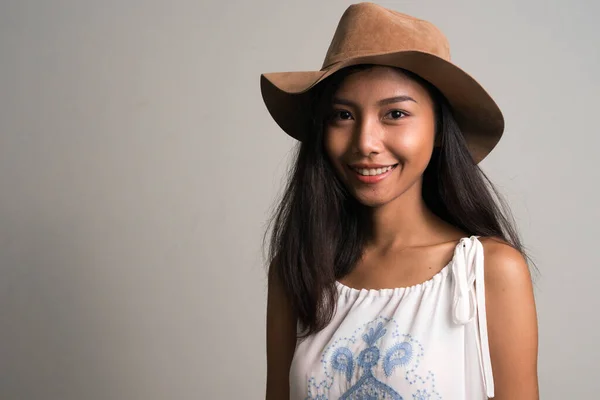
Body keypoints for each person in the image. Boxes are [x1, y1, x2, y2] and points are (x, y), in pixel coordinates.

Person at [260, 2, 538, 399]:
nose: (366, 143)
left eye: (394, 114)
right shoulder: (298, 269)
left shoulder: (486, 271)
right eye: (343, 115)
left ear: (441, 129)